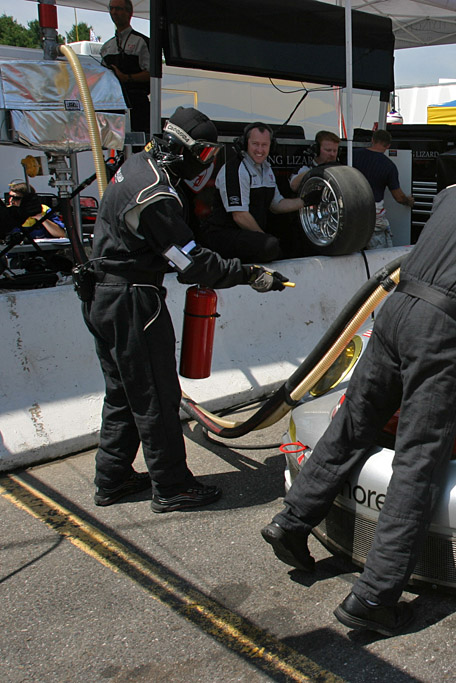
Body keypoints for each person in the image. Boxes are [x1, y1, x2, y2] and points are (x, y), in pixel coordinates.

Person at [261, 173, 456, 636]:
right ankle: (375, 596)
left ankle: (291, 522)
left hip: (395, 311)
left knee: (353, 423)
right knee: (419, 462)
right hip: (441, 331)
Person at [81, 107, 291, 513]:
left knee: (124, 392)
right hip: (132, 300)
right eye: (207, 155)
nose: (209, 164)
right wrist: (250, 274)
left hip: (104, 296)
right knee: (157, 394)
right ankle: (172, 485)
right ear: (184, 149)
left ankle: (113, 477)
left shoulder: (140, 165)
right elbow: (190, 263)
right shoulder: (156, 193)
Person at [199, 122, 303, 263]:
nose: (260, 149)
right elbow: (239, 216)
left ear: (271, 146)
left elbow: (277, 205)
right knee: (269, 246)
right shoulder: (235, 169)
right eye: (255, 144)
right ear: (245, 143)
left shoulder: (266, 169)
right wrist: (263, 237)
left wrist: (305, 201)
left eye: (264, 145)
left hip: (247, 234)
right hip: (222, 234)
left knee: (292, 238)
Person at [352, 130, 415, 249]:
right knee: (377, 256)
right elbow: (398, 196)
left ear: (372, 140)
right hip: (374, 216)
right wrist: (408, 201)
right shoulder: (389, 166)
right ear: (388, 146)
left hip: (353, 212)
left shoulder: (353, 155)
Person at [100, 0, 150, 135]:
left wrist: (126, 78)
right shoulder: (107, 46)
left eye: (118, 9)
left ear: (129, 12)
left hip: (137, 103)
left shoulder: (141, 42)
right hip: (114, 105)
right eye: (111, 8)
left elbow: (152, 74)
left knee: (140, 147)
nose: (114, 12)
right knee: (117, 147)